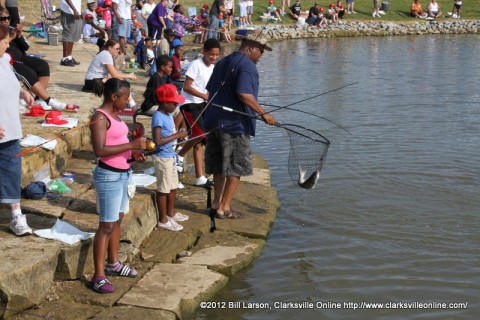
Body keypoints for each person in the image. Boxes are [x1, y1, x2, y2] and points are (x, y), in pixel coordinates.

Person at [203, 32, 276, 219]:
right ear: (251, 47)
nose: (261, 55)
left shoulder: (222, 62)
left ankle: (215, 203)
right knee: (236, 168)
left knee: (219, 167)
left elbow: (210, 90)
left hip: (212, 122)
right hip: (234, 126)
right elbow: (244, 94)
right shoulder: (247, 66)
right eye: (260, 51)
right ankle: (224, 208)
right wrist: (264, 113)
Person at [89, 78, 147, 293]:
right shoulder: (100, 118)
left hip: (124, 173)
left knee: (117, 220)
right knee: (106, 225)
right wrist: (131, 144)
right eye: (125, 98)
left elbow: (117, 144)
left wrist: (133, 153)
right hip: (108, 176)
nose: (128, 101)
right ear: (114, 97)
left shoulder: (116, 116)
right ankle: (98, 275)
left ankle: (114, 263)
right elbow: (100, 150)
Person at [0, 24, 34, 237]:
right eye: (4, 42)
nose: (7, 46)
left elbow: (10, 82)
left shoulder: (5, 60)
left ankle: (16, 215)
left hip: (10, 127)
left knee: (12, 171)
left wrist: (23, 94)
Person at [0, 6, 68, 111]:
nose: (7, 20)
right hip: (8, 60)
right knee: (27, 72)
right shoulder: (2, 33)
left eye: (8, 18)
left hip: (21, 56)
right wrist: (11, 37)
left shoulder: (11, 29)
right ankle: (49, 100)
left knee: (42, 65)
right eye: (3, 18)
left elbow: (25, 47)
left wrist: (18, 36)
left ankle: (39, 98)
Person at [177, 38, 220, 187]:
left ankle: (199, 177)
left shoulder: (213, 68)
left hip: (203, 104)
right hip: (189, 103)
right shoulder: (196, 64)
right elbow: (187, 86)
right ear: (204, 52)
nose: (214, 58)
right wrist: (204, 96)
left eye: (216, 55)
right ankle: (180, 154)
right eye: (211, 55)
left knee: (202, 141)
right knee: (199, 134)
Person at [152, 84, 188, 231]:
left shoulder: (168, 115)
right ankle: (163, 219)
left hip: (171, 156)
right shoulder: (158, 116)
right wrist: (177, 135)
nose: (176, 105)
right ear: (165, 103)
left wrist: (179, 137)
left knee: (173, 186)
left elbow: (170, 136)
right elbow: (157, 141)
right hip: (162, 159)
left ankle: (171, 213)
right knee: (163, 189)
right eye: (174, 103)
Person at [60, 0, 83, 67]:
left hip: (74, 12)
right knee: (67, 35)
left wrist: (79, 11)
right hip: (68, 12)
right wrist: (74, 10)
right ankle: (64, 59)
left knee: (72, 34)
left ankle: (69, 57)